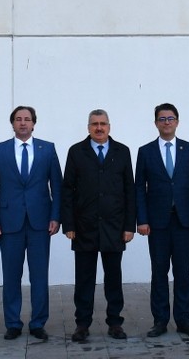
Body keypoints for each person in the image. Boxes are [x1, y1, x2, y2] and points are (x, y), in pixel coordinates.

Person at [0, 105, 62, 341]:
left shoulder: (47, 149)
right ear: (12, 123)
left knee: (39, 275)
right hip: (9, 223)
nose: (23, 123)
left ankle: (38, 323)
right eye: (18, 119)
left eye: (27, 119)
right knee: (11, 275)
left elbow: (57, 186)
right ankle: (13, 323)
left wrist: (55, 216)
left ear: (34, 123)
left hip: (40, 222)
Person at [62, 109, 136, 342]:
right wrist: (68, 224)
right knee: (84, 279)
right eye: (94, 124)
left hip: (114, 227)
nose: (99, 127)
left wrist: (129, 226)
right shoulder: (76, 152)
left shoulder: (122, 152)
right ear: (88, 127)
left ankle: (115, 323)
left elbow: (130, 190)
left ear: (109, 126)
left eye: (103, 123)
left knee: (113, 278)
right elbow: (67, 190)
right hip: (84, 227)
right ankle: (82, 324)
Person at [135, 103, 189, 337]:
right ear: (156, 123)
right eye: (162, 119)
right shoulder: (145, 151)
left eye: (170, 118)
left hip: (183, 220)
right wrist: (141, 219)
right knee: (159, 272)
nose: (166, 122)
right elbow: (139, 188)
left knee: (182, 272)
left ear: (177, 121)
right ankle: (160, 320)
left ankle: (184, 319)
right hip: (156, 222)